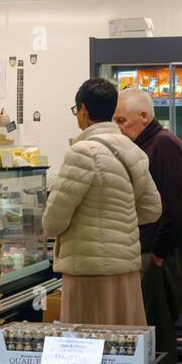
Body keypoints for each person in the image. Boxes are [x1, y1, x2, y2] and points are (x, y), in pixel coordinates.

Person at [42, 78, 161, 326]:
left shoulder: (82, 152)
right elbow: (152, 209)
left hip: (89, 270)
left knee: (87, 348)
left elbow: (53, 222)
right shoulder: (133, 150)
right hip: (126, 269)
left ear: (83, 110)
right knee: (122, 347)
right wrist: (118, 223)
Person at [114, 88, 182, 364]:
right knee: (156, 332)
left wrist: (157, 253)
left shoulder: (163, 147)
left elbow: (174, 209)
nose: (118, 126)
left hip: (165, 255)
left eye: (122, 120)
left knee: (160, 335)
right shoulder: (151, 144)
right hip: (158, 252)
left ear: (143, 117)